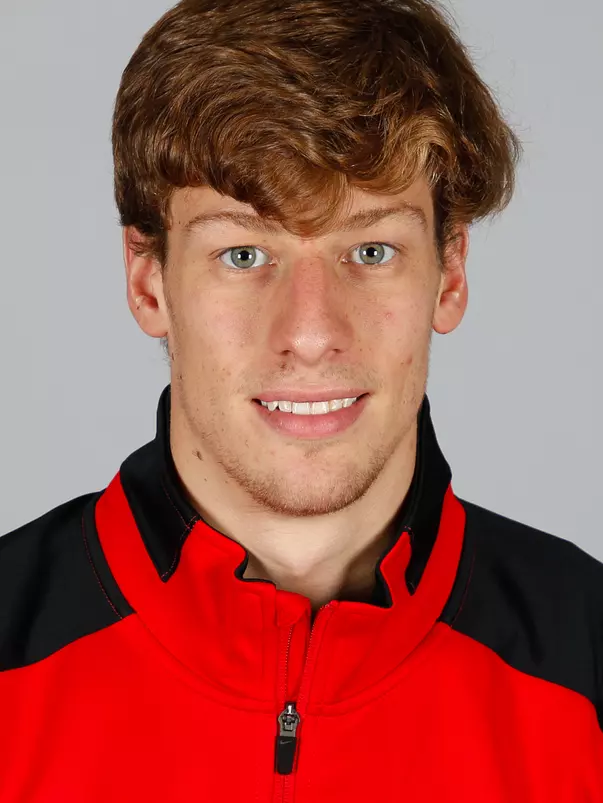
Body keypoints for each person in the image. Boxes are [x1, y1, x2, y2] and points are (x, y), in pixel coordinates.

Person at [1, 0, 601, 799]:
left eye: (371, 248)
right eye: (244, 252)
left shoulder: (585, 663)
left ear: (449, 275)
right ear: (148, 282)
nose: (312, 332)